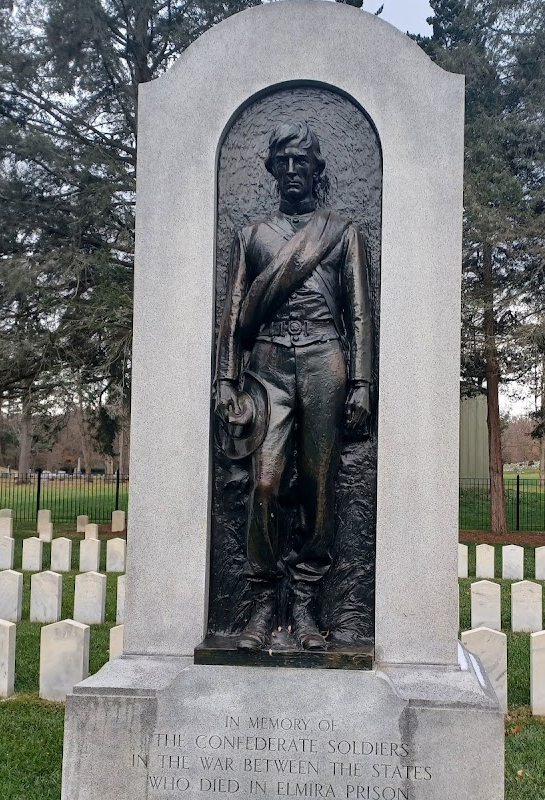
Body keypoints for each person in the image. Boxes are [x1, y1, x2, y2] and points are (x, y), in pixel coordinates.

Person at [214, 120, 373, 651]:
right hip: (268, 365)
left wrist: (361, 382)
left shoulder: (341, 231)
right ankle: (262, 600)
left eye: (300, 161)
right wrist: (225, 379)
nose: (290, 171)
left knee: (320, 485)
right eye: (281, 162)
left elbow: (359, 313)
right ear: (272, 170)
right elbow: (234, 311)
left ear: (316, 170)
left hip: (326, 360)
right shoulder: (253, 235)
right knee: (264, 482)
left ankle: (303, 602)